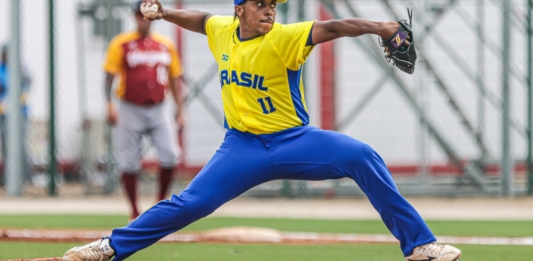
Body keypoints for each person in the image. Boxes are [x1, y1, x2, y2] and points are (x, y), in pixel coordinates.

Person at [62, 0, 462, 261]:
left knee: (362, 156)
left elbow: (337, 25)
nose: (269, 10)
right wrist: (165, 13)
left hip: (294, 141)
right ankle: (110, 247)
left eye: (272, 4)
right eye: (260, 5)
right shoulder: (223, 30)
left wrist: (382, 26)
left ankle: (420, 246)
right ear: (240, 11)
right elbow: (200, 20)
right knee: (190, 204)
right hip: (241, 147)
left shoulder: (284, 37)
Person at [102, 1, 185, 221]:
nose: (143, 19)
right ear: (134, 16)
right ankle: (134, 211)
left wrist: (181, 110)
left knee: (170, 154)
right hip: (129, 107)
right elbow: (109, 77)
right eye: (140, 15)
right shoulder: (121, 43)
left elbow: (175, 79)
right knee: (128, 160)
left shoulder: (165, 44)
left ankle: (159, 204)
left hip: (159, 107)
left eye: (147, 16)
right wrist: (109, 105)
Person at [0, 43, 33, 187]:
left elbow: (28, 83)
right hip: (4, 114)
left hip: (20, 114)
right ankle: (9, 178)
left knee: (21, 145)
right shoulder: (1, 70)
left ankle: (26, 177)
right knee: (7, 146)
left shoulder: (21, 69)